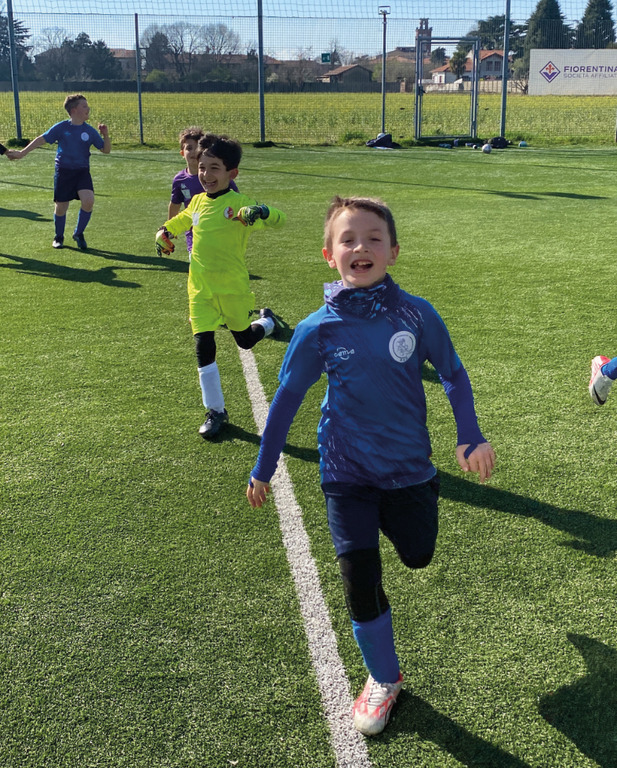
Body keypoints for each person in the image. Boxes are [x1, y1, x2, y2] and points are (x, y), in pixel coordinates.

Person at [246, 196, 495, 737]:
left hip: (409, 470)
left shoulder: (417, 313)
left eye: (373, 238)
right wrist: (263, 467)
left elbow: (452, 373)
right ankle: (384, 677)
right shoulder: (318, 329)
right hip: (345, 471)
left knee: (418, 554)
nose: (361, 247)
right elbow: (287, 398)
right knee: (359, 578)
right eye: (348, 240)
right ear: (329, 255)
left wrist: (469, 434)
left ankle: (391, 553)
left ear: (394, 251)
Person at [156, 134, 286, 439]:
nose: (206, 174)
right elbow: (181, 221)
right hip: (199, 288)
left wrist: (262, 211)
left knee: (244, 340)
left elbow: (279, 220)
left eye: (214, 168)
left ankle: (267, 322)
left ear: (232, 173)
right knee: (204, 345)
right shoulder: (198, 201)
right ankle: (215, 410)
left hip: (232, 289)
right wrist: (163, 233)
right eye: (202, 167)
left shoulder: (241, 205)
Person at [6, 94, 110, 250]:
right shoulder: (62, 127)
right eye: (84, 106)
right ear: (74, 110)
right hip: (63, 172)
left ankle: (78, 234)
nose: (88, 109)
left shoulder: (90, 131)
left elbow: (105, 150)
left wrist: (106, 135)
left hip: (82, 172)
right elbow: (41, 139)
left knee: (88, 201)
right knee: (61, 207)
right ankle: (58, 237)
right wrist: (22, 153)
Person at [168, 128, 238, 257]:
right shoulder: (180, 180)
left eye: (197, 147)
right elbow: (175, 204)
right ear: (182, 153)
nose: (194, 151)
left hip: (219, 231)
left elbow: (236, 200)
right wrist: (170, 229)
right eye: (189, 148)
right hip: (194, 235)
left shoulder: (221, 177)